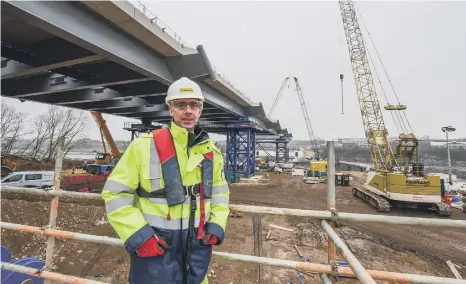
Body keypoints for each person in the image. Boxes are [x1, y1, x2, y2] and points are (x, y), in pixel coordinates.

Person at [101, 77, 230, 284]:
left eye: (194, 105)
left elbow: (220, 193)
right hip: (156, 245)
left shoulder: (211, 152)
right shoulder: (144, 146)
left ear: (200, 110)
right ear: (171, 109)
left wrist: (217, 224)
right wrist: (139, 235)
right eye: (181, 105)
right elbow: (115, 193)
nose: (188, 110)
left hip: (197, 247)